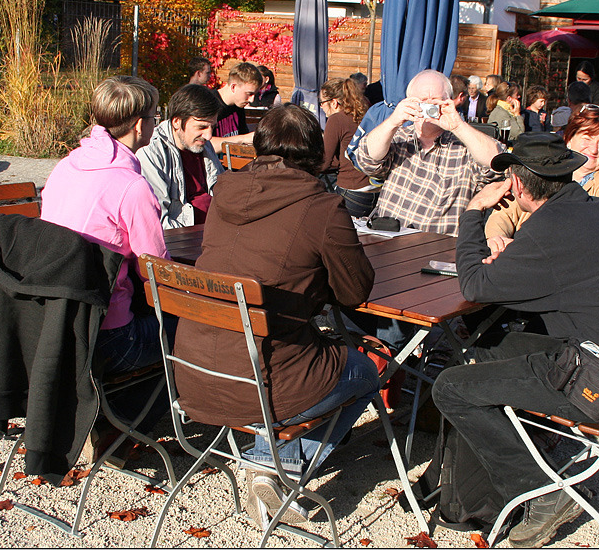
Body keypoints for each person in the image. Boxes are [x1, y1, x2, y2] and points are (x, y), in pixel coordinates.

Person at [432, 132, 599, 548]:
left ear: (516, 184)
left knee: (451, 388)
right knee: (482, 349)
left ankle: (544, 493)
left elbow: (475, 284)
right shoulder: (593, 211)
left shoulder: (551, 228)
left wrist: (473, 213)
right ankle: (464, 492)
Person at [178, 104, 379, 528]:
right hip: (262, 386)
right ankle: (277, 467)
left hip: (193, 375)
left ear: (260, 146)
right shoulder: (323, 208)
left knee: (302, 349)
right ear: (315, 153)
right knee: (363, 370)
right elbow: (356, 292)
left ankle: (270, 464)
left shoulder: (223, 193)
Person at [40, 76, 175, 462]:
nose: (155, 123)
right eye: (155, 116)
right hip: (110, 335)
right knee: (197, 330)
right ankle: (119, 428)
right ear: (138, 125)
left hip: (60, 322)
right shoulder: (130, 186)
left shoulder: (65, 168)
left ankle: (105, 419)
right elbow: (156, 272)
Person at [353, 69, 503, 237]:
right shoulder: (399, 137)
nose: (428, 107)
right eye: (422, 101)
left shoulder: (464, 145)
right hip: (384, 238)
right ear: (408, 102)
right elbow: (366, 159)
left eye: (436, 101)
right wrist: (394, 121)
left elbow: (497, 163)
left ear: (449, 102)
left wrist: (457, 126)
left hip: (435, 249)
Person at [485, 104, 599, 240]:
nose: (594, 149)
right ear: (569, 139)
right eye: (587, 139)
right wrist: (497, 239)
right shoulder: (549, 166)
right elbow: (504, 214)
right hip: (521, 248)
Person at [137, 84, 225, 229]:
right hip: (184, 239)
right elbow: (159, 220)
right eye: (201, 127)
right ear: (177, 122)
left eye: (212, 127)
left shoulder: (202, 144)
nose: (209, 135)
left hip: (215, 231)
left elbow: (222, 189)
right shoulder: (152, 152)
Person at [320, 77, 377, 217]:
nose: (321, 107)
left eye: (322, 103)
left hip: (351, 191)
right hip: (375, 191)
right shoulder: (365, 114)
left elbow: (324, 164)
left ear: (333, 102)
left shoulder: (336, 119)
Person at [210, 61, 261, 154]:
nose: (252, 100)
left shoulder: (238, 105)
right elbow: (205, 144)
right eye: (249, 94)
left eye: (254, 94)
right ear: (233, 87)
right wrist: (243, 139)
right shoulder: (209, 104)